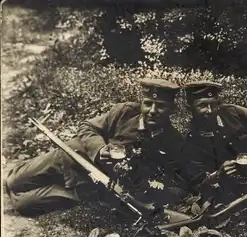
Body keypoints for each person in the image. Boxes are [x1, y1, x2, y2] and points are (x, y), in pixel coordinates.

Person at [4, 78, 187, 216]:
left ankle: (34, 187)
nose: (153, 111)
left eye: (161, 106)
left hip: (90, 185)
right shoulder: (125, 112)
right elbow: (87, 127)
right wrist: (100, 149)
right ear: (142, 103)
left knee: (23, 205)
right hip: (71, 158)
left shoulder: (173, 141)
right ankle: (18, 171)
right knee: (12, 181)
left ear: (172, 109)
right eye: (148, 103)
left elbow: (172, 180)